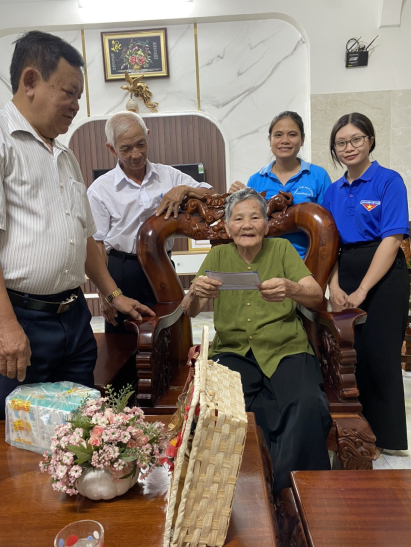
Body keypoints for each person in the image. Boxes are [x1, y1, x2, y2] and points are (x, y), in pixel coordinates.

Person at [0, 31, 155, 420]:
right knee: (25, 438)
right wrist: (6, 327)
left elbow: (84, 237)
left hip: (73, 319)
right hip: (22, 319)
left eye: (79, 95)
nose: (76, 105)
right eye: (69, 92)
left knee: (81, 433)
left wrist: (113, 293)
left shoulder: (64, 153)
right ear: (30, 81)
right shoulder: (4, 143)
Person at [182, 188, 332, 495]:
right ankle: (233, 494)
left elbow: (316, 295)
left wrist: (291, 288)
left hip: (285, 347)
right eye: (238, 218)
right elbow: (189, 309)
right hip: (233, 350)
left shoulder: (281, 250)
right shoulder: (218, 255)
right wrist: (196, 292)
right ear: (226, 226)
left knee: (305, 403)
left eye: (255, 217)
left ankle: (289, 492)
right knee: (219, 410)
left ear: (266, 224)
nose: (246, 225)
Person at [322, 112, 409, 457]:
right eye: (342, 142)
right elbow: (330, 245)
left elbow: (392, 239)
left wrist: (362, 290)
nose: (349, 147)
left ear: (370, 140)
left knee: (381, 355)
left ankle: (387, 439)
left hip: (385, 275)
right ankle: (357, 435)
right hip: (346, 270)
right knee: (350, 355)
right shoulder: (332, 190)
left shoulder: (388, 181)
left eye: (356, 139)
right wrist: (335, 285)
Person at [87, 111, 214, 333]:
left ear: (148, 136)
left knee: (170, 331)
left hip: (163, 265)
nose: (136, 154)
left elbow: (212, 195)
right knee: (123, 340)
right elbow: (97, 245)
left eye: (141, 144)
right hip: (122, 271)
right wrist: (106, 294)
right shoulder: (100, 189)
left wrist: (184, 189)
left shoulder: (169, 176)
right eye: (126, 148)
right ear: (111, 148)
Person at [229, 111, 331, 258]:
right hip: (265, 262)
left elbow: (328, 226)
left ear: (302, 139)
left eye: (292, 134)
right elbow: (249, 225)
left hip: (307, 263)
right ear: (270, 140)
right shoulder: (256, 180)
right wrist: (235, 199)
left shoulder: (318, 175)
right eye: (278, 135)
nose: (285, 140)